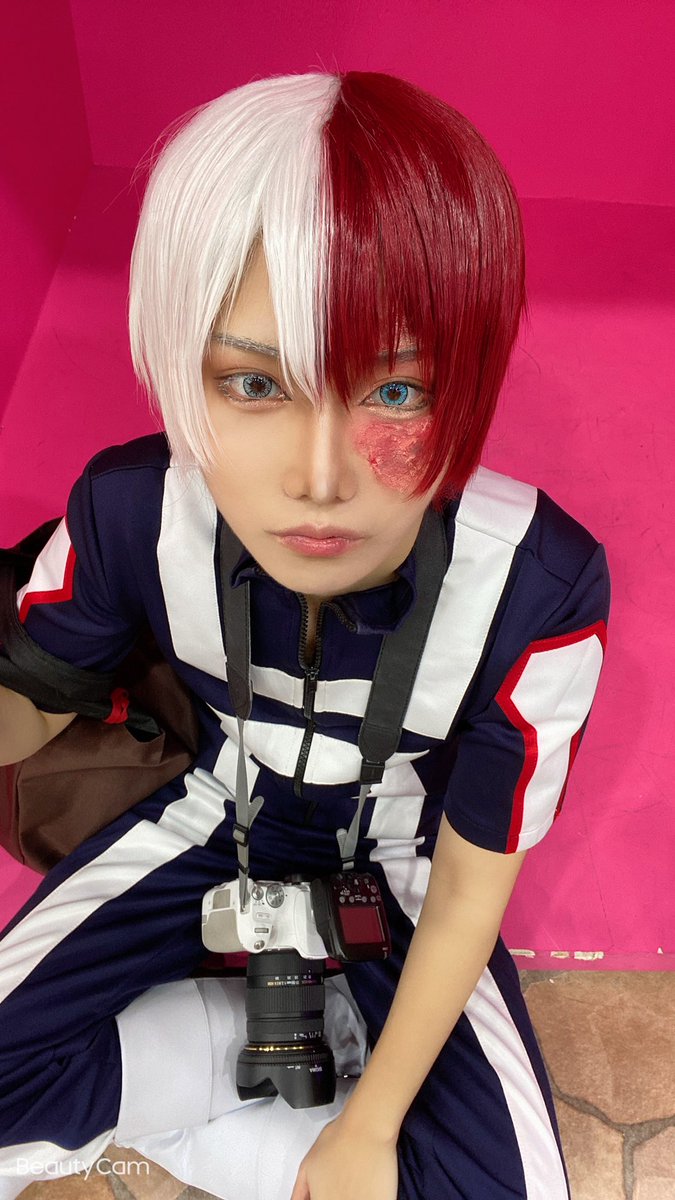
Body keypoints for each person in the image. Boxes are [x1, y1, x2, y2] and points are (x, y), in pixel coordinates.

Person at [0, 70, 609, 1200]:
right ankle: (221, 1044)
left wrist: (369, 1128)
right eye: (253, 383)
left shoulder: (536, 581)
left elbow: (469, 888)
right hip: (208, 814)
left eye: (395, 393)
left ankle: (292, 1066)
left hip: (404, 855)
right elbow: (35, 687)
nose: (320, 478)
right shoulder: (131, 508)